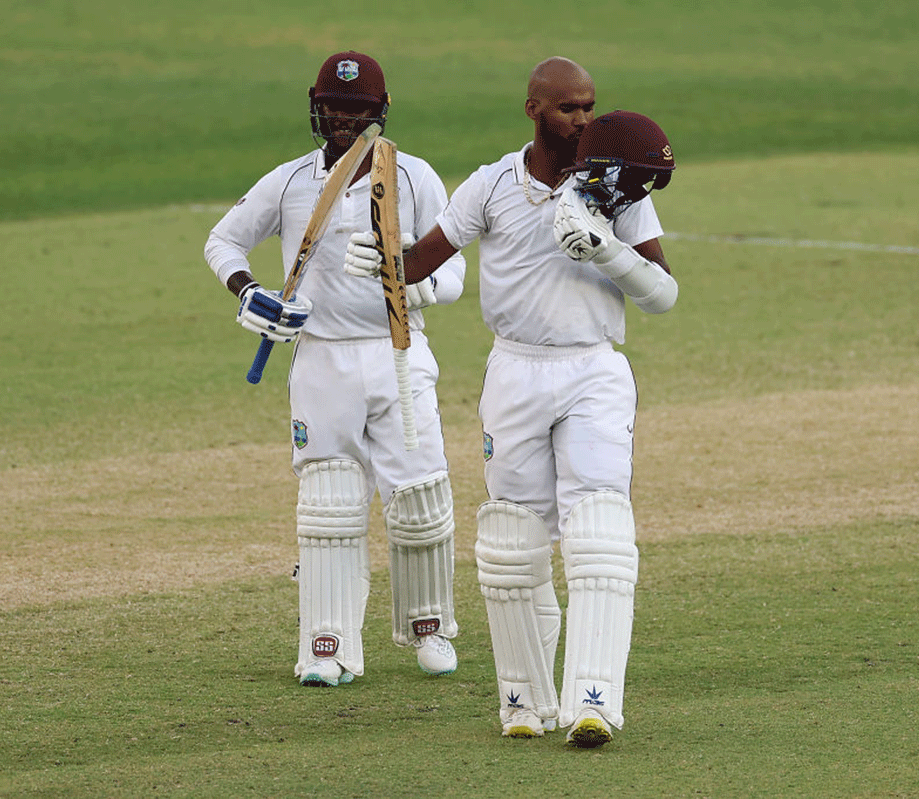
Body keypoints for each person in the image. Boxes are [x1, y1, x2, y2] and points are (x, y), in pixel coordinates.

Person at [344, 57, 677, 746]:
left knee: (599, 531)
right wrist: (377, 260)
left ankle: (595, 701)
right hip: (516, 372)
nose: (583, 120)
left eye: (589, 106)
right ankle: (524, 700)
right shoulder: (494, 184)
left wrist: (607, 252)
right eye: (568, 109)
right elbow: (421, 263)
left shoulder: (617, 186)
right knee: (512, 543)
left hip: (593, 371)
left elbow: (663, 295)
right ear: (534, 109)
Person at [204, 50, 466, 688]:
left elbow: (454, 273)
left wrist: (410, 282)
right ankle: (328, 644)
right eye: (334, 108)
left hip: (397, 354)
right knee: (329, 505)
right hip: (320, 358)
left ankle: (428, 628)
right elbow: (222, 240)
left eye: (357, 110)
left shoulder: (413, 177)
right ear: (316, 108)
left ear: (379, 113)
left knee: (420, 500)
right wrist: (249, 291)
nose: (344, 121)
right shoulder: (292, 181)